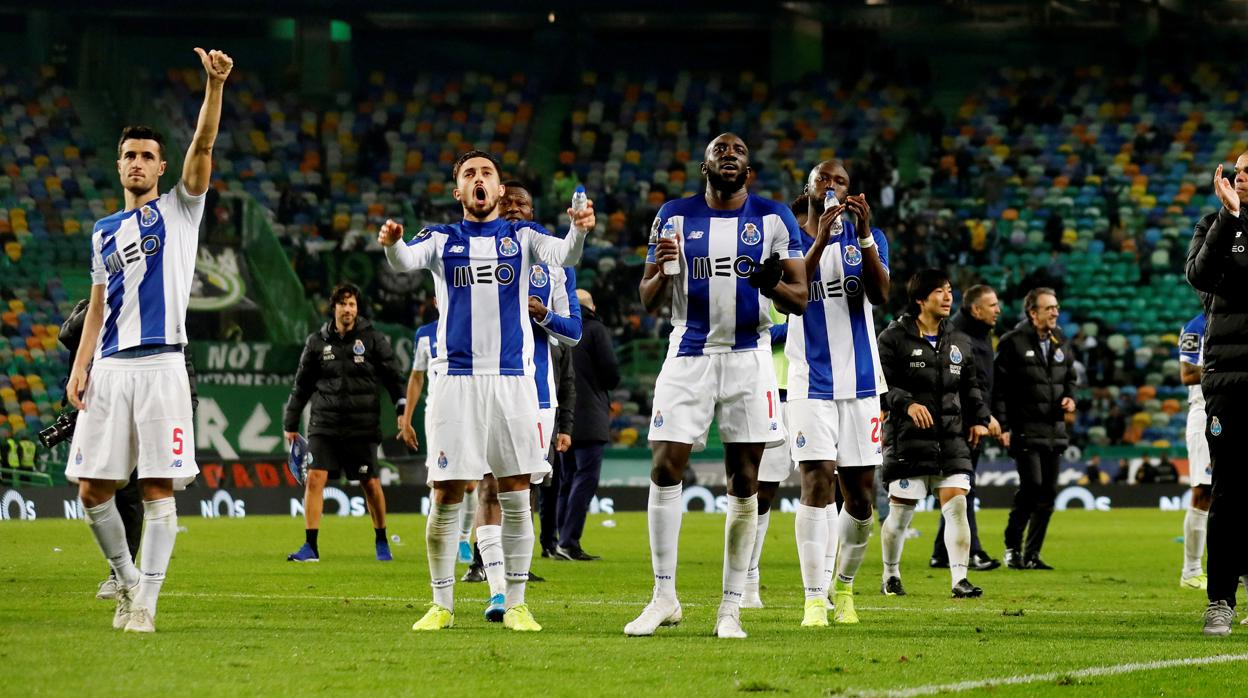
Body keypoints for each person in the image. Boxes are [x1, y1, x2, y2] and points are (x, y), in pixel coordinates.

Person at [380, 149, 595, 633]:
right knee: (446, 493)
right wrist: (392, 244)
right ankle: (441, 604)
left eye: (487, 174)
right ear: (459, 192)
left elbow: (565, 255)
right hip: (455, 382)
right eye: (469, 174)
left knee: (517, 492)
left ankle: (516, 603)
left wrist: (579, 229)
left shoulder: (522, 236)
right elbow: (404, 262)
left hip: (512, 382)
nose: (479, 180)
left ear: (499, 190)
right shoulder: (440, 238)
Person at [63, 48, 232, 633]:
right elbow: (98, 308)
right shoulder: (102, 232)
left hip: (162, 366)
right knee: (91, 490)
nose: (137, 162)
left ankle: (147, 604)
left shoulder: (180, 211)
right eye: (129, 155)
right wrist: (80, 366)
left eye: (147, 156)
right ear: (119, 167)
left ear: (161, 169)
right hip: (110, 369)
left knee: (159, 488)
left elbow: (204, 148)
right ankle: (128, 577)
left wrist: (213, 88)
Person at [625, 133, 807, 639]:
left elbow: (800, 299)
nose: (730, 154)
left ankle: (730, 608)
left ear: (748, 171)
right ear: (704, 165)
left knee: (744, 479)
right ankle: (664, 597)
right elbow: (647, 298)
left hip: (750, 357)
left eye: (739, 152)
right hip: (688, 353)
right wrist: (663, 268)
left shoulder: (774, 218)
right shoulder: (673, 215)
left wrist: (771, 283)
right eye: (720, 150)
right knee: (665, 464)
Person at [448, 180, 580, 619]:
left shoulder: (551, 260)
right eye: (508, 204)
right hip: (481, 387)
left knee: (519, 493)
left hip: (536, 395)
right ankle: (498, 589)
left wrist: (543, 315)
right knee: (487, 485)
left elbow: (574, 333)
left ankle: (511, 587)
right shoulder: (470, 255)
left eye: (523, 204)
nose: (515, 209)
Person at [784, 159, 890, 627]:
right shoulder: (785, 236)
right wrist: (821, 238)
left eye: (841, 181)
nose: (832, 186)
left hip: (863, 384)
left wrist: (863, 236)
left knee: (862, 500)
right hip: (810, 381)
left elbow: (881, 295)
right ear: (808, 188)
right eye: (824, 179)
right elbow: (791, 291)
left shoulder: (869, 238)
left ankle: (842, 587)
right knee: (816, 483)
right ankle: (812, 599)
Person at [876, 269, 991, 599]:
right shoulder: (893, 338)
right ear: (919, 299)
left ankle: (959, 580)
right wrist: (907, 404)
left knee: (956, 506)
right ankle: (891, 573)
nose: (947, 297)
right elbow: (880, 386)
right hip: (907, 441)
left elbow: (970, 387)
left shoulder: (958, 340)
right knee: (899, 515)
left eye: (950, 291)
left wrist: (980, 418)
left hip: (950, 440)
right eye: (940, 291)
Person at [283, 283, 407, 563]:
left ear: (357, 309)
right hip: (324, 423)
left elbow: (393, 378)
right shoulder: (317, 342)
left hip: (361, 425)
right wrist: (291, 421)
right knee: (315, 478)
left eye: (352, 304)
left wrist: (402, 409)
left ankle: (381, 539)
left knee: (371, 483)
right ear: (334, 307)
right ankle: (310, 546)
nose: (348, 309)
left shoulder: (374, 340)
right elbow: (301, 385)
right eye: (343, 304)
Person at [1185, 155, 1248, 635]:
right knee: (1228, 490)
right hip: (1229, 381)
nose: (1240, 176)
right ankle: (1221, 600)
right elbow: (1202, 278)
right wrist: (1228, 218)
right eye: (1237, 169)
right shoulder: (1212, 223)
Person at [994, 287, 1076, 571]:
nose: (1055, 312)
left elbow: (1071, 378)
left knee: (1049, 493)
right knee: (1032, 487)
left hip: (1054, 429)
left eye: (1056, 307)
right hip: (1025, 427)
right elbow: (1000, 389)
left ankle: (1032, 554)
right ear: (1032, 312)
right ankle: (1012, 546)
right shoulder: (1012, 342)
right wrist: (1003, 425)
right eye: (1049, 308)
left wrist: (1070, 398)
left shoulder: (1061, 340)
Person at [931, 284, 1003, 571]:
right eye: (992, 305)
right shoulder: (957, 336)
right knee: (963, 488)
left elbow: (982, 381)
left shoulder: (980, 333)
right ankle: (972, 551)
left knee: (957, 488)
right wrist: (976, 419)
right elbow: (958, 382)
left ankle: (940, 553)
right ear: (976, 309)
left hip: (973, 420)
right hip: (959, 423)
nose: (998, 310)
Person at [557, 289, 618, 561]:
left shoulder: (558, 331)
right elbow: (611, 372)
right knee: (585, 480)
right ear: (591, 306)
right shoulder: (595, 329)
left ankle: (558, 540)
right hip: (590, 416)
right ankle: (569, 542)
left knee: (566, 480)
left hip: (561, 417)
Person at [744, 305, 792, 610]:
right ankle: (748, 578)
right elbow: (756, 333)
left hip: (816, 390)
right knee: (762, 492)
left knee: (829, 488)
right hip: (771, 392)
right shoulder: (762, 285)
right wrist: (796, 326)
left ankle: (824, 587)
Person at [1176, 312, 1211, 590]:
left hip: (1234, 407)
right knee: (1203, 491)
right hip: (1204, 413)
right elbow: (1187, 374)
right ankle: (1191, 570)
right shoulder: (1196, 326)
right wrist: (1224, 368)